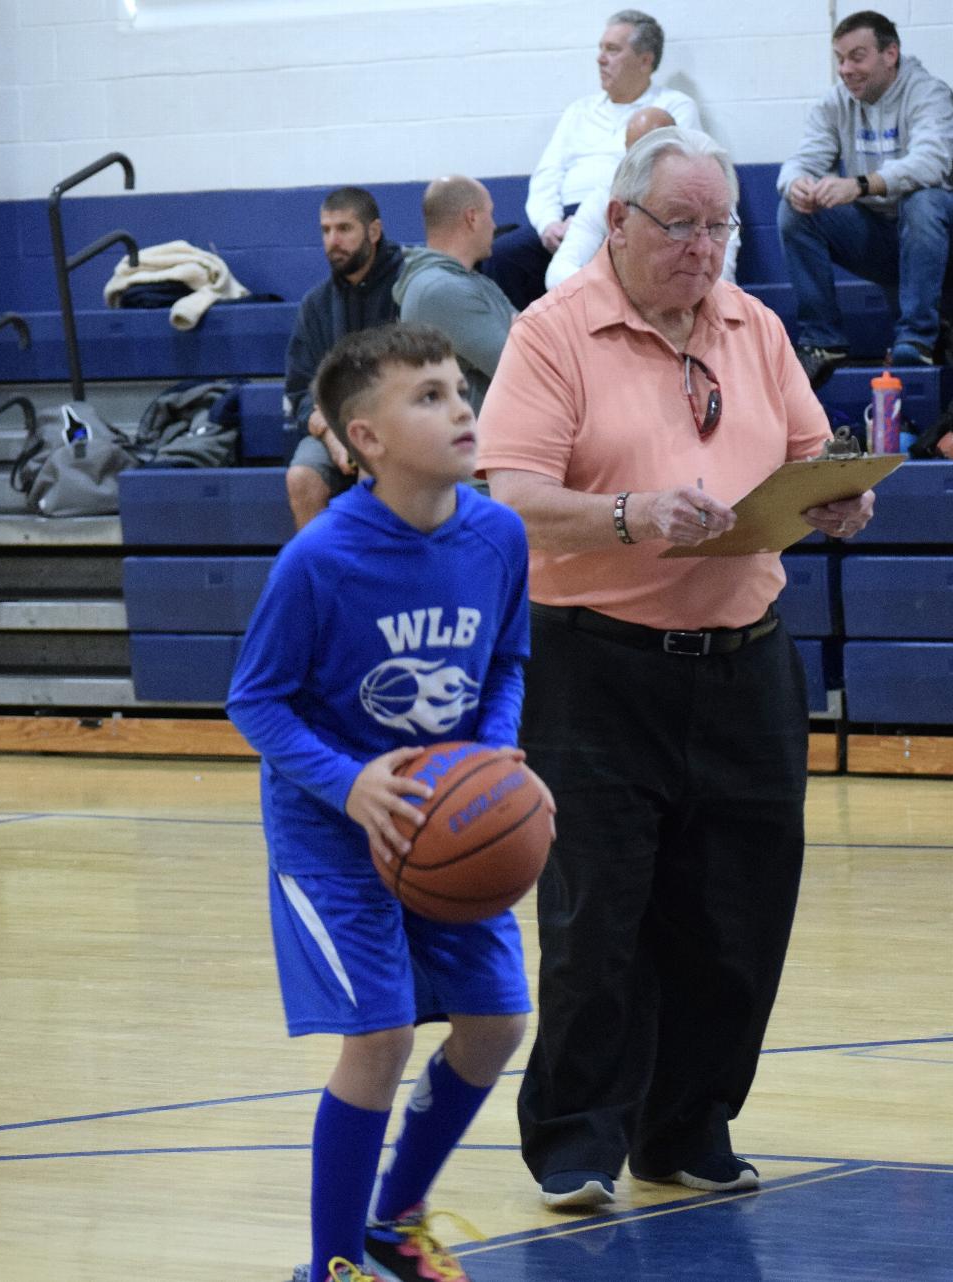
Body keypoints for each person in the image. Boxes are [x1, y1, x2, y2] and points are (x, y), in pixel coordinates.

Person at [476, 126, 875, 1212]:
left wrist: (840, 495)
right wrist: (627, 513)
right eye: (682, 224)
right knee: (598, 918)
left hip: (745, 663)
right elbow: (506, 499)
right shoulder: (552, 334)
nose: (704, 247)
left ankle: (686, 1126)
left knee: (738, 917)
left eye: (719, 225)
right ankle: (573, 1140)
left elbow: (804, 456)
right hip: (595, 667)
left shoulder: (755, 326)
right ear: (619, 223)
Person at [227, 322, 548, 1282]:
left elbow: (507, 663)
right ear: (363, 437)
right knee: (381, 1034)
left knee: (497, 1022)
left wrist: (488, 763)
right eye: (430, 397)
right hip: (331, 832)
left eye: (461, 390)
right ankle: (332, 1265)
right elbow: (255, 700)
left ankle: (394, 1224)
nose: (461, 409)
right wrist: (349, 783)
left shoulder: (498, 533)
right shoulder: (319, 560)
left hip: (440, 818)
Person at [776, 10, 953, 389]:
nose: (845, 68)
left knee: (924, 199)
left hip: (936, 243)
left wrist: (859, 184)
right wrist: (797, 185)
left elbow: (932, 162)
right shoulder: (834, 104)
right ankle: (823, 342)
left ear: (890, 54)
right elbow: (799, 162)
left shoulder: (930, 93)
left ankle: (917, 338)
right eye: (840, 58)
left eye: (857, 56)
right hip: (881, 240)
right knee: (794, 210)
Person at [483, 10, 701, 310]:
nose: (600, 58)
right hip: (562, 221)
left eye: (612, 49)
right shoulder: (579, 111)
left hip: (623, 218)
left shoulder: (673, 107)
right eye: (601, 49)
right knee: (502, 255)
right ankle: (524, 348)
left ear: (645, 60)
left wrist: (596, 219)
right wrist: (549, 224)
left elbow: (673, 174)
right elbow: (548, 175)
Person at [285, 187, 404, 528]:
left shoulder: (408, 284)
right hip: (334, 426)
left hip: (396, 424)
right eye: (326, 230)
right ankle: (321, 578)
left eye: (344, 229)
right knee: (302, 478)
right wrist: (332, 437)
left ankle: (382, 576)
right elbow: (299, 392)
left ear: (374, 231)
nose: (333, 240)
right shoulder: (315, 305)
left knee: (372, 470)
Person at [545, 107, 740, 289]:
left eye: (656, 149)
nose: (702, 249)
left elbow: (721, 280)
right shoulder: (604, 197)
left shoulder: (715, 199)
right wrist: (617, 299)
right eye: (679, 225)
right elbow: (558, 274)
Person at [393, 176, 516, 417]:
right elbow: (523, 368)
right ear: (472, 218)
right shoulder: (440, 289)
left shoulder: (464, 281)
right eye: (490, 214)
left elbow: (531, 339)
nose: (493, 224)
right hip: (473, 447)